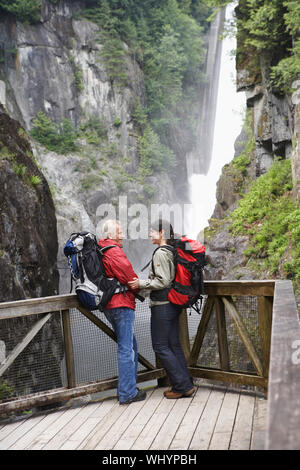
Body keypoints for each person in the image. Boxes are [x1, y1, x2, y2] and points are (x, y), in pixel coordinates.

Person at [128, 219, 195, 399]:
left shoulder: (160, 253)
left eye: (152, 231)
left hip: (162, 306)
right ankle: (186, 383)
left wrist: (139, 283)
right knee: (174, 345)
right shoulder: (172, 250)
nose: (150, 234)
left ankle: (181, 385)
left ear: (162, 233)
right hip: (173, 305)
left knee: (160, 346)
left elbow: (163, 281)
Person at [98, 219, 146, 405]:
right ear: (110, 235)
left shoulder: (101, 250)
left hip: (110, 305)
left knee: (131, 346)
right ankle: (127, 394)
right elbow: (129, 276)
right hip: (121, 305)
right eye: (119, 232)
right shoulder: (113, 251)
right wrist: (142, 288)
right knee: (126, 349)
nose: (123, 235)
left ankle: (129, 387)